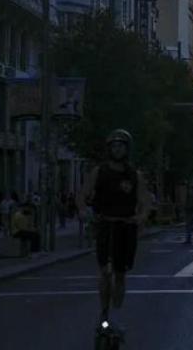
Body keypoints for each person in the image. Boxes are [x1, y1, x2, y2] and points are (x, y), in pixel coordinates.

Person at [77, 129, 151, 324]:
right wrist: (83, 211)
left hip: (126, 227)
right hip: (104, 224)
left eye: (121, 146)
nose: (117, 150)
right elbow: (82, 195)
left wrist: (141, 217)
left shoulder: (135, 175)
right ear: (109, 149)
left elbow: (145, 201)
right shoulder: (99, 172)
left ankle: (116, 309)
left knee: (120, 273)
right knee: (104, 270)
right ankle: (104, 310)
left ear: (127, 149)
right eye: (114, 146)